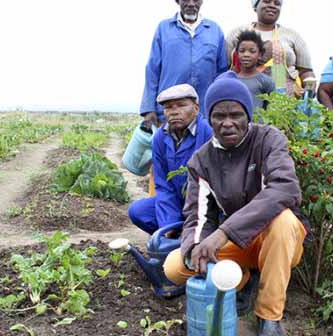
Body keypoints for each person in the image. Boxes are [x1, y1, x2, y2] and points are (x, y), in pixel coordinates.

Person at [163, 72, 307, 336]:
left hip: (275, 240)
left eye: (236, 115)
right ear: (209, 118)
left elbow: (284, 189)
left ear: (247, 116)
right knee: (176, 266)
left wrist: (224, 233)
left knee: (284, 220)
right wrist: (195, 248)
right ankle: (241, 281)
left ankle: (269, 316)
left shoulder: (268, 140)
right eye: (219, 116)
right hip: (240, 243)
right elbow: (198, 216)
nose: (227, 123)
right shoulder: (202, 160)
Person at [128, 84, 213, 235]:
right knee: (138, 211)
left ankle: (193, 236)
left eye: (181, 105)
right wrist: (170, 225)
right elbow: (162, 185)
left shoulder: (208, 133)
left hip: (204, 204)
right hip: (177, 201)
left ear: (196, 108)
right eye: (168, 107)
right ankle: (174, 237)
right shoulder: (160, 137)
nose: (174, 112)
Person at [140, 0, 228, 128]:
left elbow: (222, 72)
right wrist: (149, 109)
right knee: (169, 146)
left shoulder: (215, 30)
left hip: (204, 113)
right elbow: (152, 70)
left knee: (203, 148)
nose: (191, 4)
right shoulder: (164, 29)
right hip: (169, 112)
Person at [227, 0, 314, 98]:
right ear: (255, 6)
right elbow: (225, 68)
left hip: (284, 101)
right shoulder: (236, 34)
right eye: (267, 1)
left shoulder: (292, 36)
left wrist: (309, 88)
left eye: (277, 3)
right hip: (243, 95)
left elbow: (305, 71)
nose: (272, 6)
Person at [234, 30, 275, 114]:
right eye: (242, 51)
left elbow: (272, 109)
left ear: (260, 54)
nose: (246, 54)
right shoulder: (232, 81)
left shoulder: (266, 81)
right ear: (237, 54)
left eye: (252, 51)